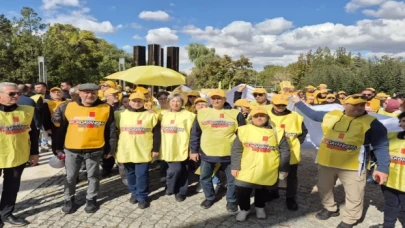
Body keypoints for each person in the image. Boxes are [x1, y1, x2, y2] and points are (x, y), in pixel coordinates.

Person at [292, 94, 390, 228]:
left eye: (362, 104)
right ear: (345, 105)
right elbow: (313, 115)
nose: (359, 107)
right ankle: (330, 208)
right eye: (354, 104)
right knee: (323, 188)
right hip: (326, 161)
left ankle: (350, 219)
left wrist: (383, 168)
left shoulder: (372, 122)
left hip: (354, 165)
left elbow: (381, 145)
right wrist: (297, 102)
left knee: (354, 194)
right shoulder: (332, 115)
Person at [56, 83, 117, 214]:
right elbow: (61, 130)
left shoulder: (106, 108)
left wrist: (110, 149)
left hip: (95, 148)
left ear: (97, 93)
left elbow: (110, 130)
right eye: (86, 92)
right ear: (79, 93)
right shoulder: (68, 107)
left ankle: (91, 199)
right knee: (71, 177)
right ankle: (68, 198)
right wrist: (57, 148)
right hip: (72, 148)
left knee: (93, 176)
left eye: (93, 93)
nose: (90, 95)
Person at [190, 89, 246, 212]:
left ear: (225, 99)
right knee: (204, 177)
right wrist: (193, 150)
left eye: (219, 98)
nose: (216, 100)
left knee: (232, 179)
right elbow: (195, 133)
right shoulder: (202, 113)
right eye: (213, 98)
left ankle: (231, 201)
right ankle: (209, 197)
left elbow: (243, 134)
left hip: (229, 153)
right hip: (207, 152)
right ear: (210, 99)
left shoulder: (236, 114)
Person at [231, 106, 290, 221]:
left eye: (262, 116)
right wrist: (235, 166)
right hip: (246, 167)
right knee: (242, 190)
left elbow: (285, 150)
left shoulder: (277, 131)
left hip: (267, 167)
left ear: (267, 117)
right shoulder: (244, 130)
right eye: (256, 116)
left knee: (263, 191)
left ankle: (260, 207)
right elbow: (236, 149)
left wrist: (284, 168)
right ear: (251, 118)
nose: (259, 118)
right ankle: (244, 209)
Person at [0, 82, 39, 226]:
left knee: (12, 188)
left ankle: (7, 213)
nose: (16, 96)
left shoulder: (27, 110)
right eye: (12, 94)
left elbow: (33, 133)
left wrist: (34, 153)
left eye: (17, 93)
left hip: (18, 155)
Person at [114, 92, 161, 209]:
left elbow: (157, 134)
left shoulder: (151, 115)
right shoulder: (119, 114)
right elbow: (113, 132)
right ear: (129, 102)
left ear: (144, 102)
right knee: (129, 173)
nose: (136, 103)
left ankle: (142, 197)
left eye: (139, 101)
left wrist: (155, 149)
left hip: (144, 149)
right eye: (134, 101)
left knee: (142, 174)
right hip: (126, 149)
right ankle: (134, 192)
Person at [268, 94, 308, 210]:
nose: (280, 106)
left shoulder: (296, 116)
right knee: (272, 173)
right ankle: (273, 192)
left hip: (291, 152)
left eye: (283, 105)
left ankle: (290, 198)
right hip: (271, 152)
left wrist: (297, 143)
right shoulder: (267, 115)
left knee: (291, 177)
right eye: (277, 104)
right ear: (272, 103)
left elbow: (303, 132)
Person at [370, 112, 405, 228]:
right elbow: (378, 153)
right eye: (404, 120)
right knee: (390, 204)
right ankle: (388, 226)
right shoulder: (390, 136)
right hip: (390, 179)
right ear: (400, 123)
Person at [159, 93, 196, 202]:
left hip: (183, 147)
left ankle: (181, 192)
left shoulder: (190, 115)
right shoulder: (162, 114)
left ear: (182, 103)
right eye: (173, 101)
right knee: (174, 170)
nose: (175, 103)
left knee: (183, 170)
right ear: (169, 102)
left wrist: (192, 149)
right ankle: (171, 186)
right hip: (168, 147)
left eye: (178, 101)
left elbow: (194, 133)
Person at [42, 87, 66, 155]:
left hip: (67, 126)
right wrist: (47, 128)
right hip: (55, 126)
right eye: (54, 92)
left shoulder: (68, 102)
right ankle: (57, 155)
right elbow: (45, 116)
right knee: (56, 142)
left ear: (62, 94)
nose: (56, 93)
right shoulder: (48, 104)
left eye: (58, 92)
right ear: (50, 95)